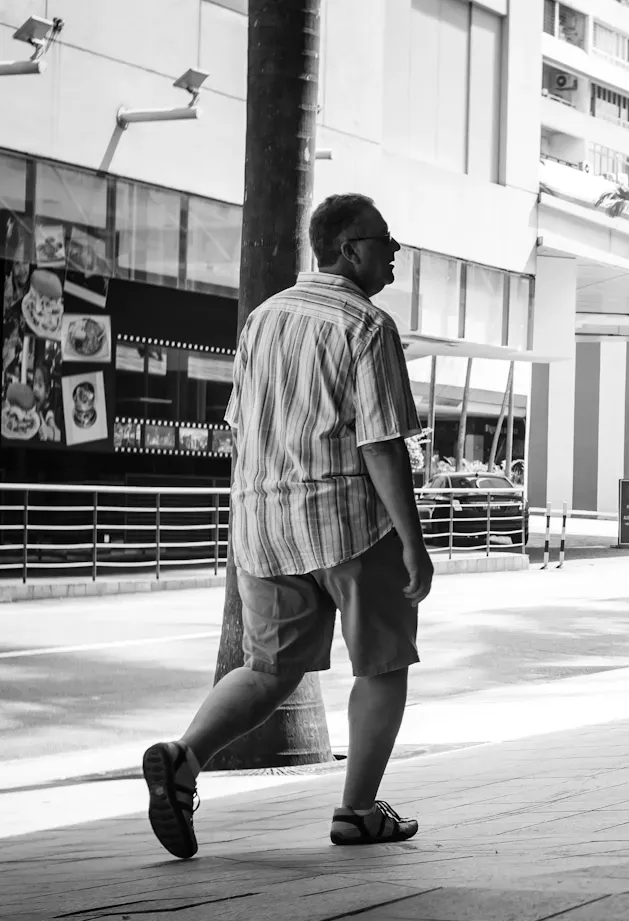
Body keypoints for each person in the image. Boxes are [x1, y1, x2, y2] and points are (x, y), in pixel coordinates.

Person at [143, 193, 429, 860]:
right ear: (350, 248)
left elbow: (239, 427)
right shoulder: (367, 325)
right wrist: (414, 544)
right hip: (349, 525)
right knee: (383, 667)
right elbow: (381, 445)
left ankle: (184, 757)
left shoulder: (262, 321)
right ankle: (358, 811)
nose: (394, 253)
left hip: (264, 527)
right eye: (386, 241)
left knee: (269, 669)